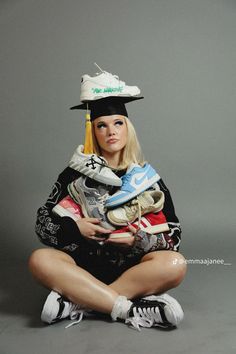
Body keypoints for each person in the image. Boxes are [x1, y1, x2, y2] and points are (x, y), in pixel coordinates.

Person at [28, 94, 187, 331]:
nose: (111, 131)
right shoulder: (74, 175)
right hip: (81, 267)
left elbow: (174, 235)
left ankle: (78, 301)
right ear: (93, 132)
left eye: (118, 123)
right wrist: (76, 229)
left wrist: (138, 241)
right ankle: (127, 308)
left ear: (128, 128)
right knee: (40, 259)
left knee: (175, 264)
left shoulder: (146, 179)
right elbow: (42, 225)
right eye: (102, 125)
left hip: (132, 270)